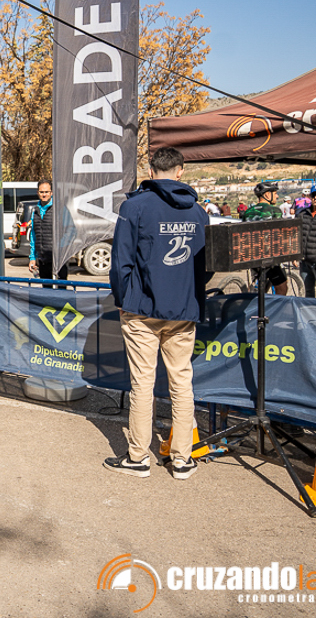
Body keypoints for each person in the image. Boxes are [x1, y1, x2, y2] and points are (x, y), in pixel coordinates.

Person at [105, 147, 209, 480]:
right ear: (181, 170)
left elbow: (120, 261)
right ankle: (182, 459)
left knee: (142, 384)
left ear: (150, 170)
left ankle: (138, 457)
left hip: (141, 310)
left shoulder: (134, 207)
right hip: (183, 310)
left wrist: (123, 298)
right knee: (182, 383)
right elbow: (206, 266)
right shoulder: (199, 213)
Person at [240, 182, 288, 295]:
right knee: (282, 287)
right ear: (267, 195)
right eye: (275, 193)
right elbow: (280, 234)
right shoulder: (274, 211)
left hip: (251, 256)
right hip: (268, 256)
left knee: (258, 285)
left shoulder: (248, 212)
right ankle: (275, 307)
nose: (277, 196)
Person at [26, 180, 68, 285]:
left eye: (46, 192)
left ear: (51, 192)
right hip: (43, 260)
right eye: (41, 192)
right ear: (38, 193)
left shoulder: (60, 208)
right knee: (46, 290)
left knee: (61, 291)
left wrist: (59, 247)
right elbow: (33, 236)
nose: (44, 194)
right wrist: (32, 257)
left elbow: (71, 231)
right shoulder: (35, 210)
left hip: (59, 260)